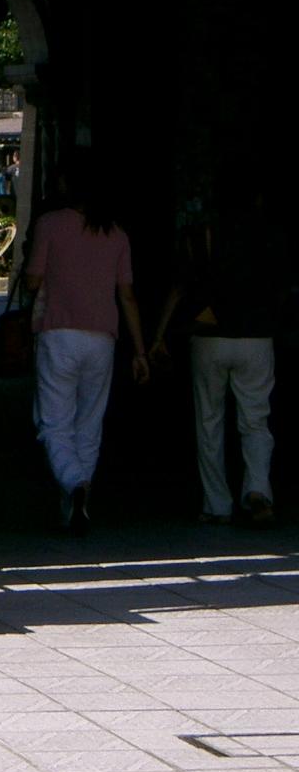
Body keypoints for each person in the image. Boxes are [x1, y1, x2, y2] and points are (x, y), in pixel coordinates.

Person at [25, 157, 148, 533]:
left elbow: (32, 282)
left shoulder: (50, 225)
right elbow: (126, 296)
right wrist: (141, 351)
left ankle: (74, 483)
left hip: (58, 333)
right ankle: (77, 501)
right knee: (89, 423)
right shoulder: (117, 234)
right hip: (103, 337)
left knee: (53, 421)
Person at [150, 185, 280, 526]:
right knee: (255, 419)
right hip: (257, 335)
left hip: (209, 336)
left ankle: (217, 503)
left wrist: (159, 336)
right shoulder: (270, 237)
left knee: (209, 421)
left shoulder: (201, 234)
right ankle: (257, 491)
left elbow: (179, 288)